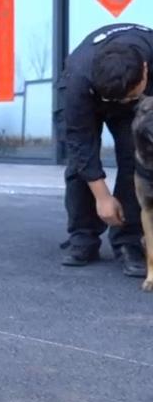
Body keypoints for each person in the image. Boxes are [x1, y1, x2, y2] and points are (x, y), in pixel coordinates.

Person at [57, 23, 150, 276]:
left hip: (135, 97)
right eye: (116, 100)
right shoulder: (79, 75)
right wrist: (103, 197)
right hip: (87, 92)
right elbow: (80, 140)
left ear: (145, 71)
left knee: (137, 159)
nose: (121, 104)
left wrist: (134, 102)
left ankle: (128, 241)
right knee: (80, 162)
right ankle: (82, 237)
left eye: (129, 96)